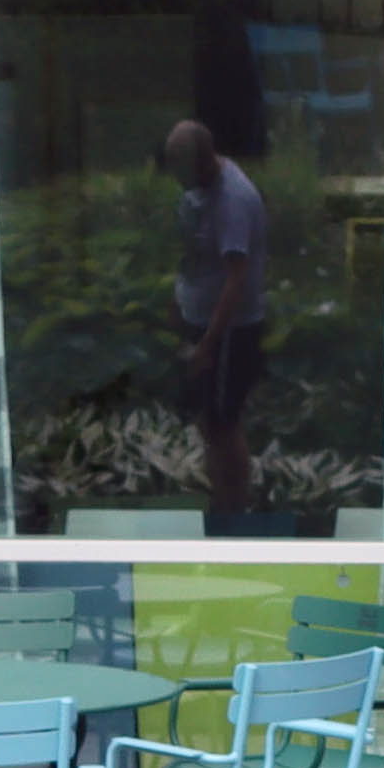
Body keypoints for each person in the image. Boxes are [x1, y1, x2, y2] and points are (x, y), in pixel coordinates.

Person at [162, 121, 267, 522]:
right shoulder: (195, 190)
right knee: (207, 419)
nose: (174, 175)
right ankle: (219, 499)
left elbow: (236, 280)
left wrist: (208, 344)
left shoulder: (232, 201)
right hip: (197, 318)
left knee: (224, 422)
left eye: (179, 165)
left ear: (201, 161)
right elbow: (192, 252)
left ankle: (235, 507)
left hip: (228, 331)